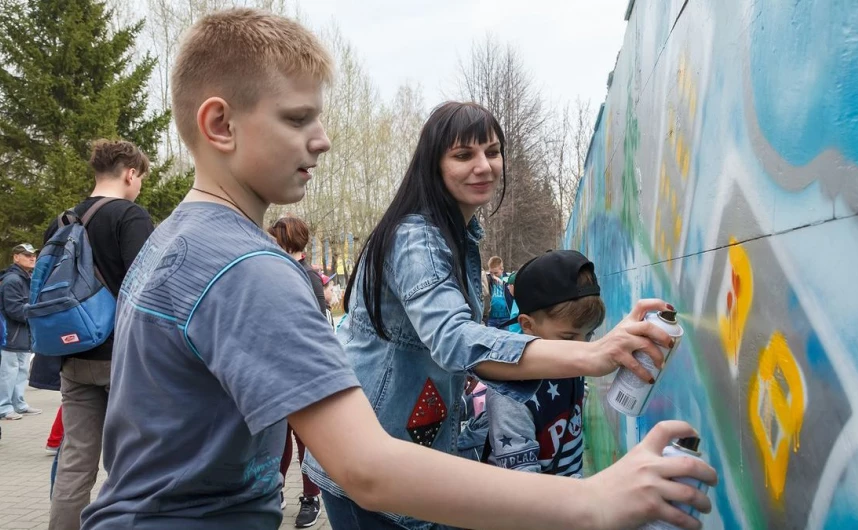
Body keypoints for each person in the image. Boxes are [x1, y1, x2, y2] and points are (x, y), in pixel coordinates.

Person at [81, 10, 716, 530]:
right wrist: (593, 500)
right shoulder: (252, 269)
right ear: (220, 123)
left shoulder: (177, 239)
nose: (323, 139)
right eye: (299, 118)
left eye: (492, 152)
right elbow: (368, 465)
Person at [303, 100, 711, 530]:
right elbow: (455, 340)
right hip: (372, 470)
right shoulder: (416, 238)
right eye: (463, 155)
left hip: (416, 459)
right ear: (433, 165)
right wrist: (594, 357)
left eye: (492, 152)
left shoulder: (458, 237)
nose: (484, 166)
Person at [45, 139, 155, 530]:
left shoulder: (60, 222)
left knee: (75, 462)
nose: (139, 184)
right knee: (130, 463)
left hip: (73, 358)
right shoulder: (130, 216)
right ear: (130, 173)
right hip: (121, 359)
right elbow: (145, 291)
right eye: (140, 177)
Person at [485, 250, 604, 477]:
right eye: (568, 338)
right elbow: (523, 488)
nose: (583, 349)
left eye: (589, 335)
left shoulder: (571, 361)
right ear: (527, 325)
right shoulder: (510, 393)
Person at [268, 215, 325, 528]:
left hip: (303, 373)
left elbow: (316, 324)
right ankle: (275, 491)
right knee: (277, 440)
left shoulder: (308, 276)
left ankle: (311, 496)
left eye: (276, 239)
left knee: (306, 439)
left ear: (288, 242)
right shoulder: (273, 271)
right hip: (275, 371)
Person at [0, 243, 41, 421]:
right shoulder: (13, 280)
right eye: (27, 255)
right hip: (10, 334)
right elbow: (14, 309)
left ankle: (19, 404)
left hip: (23, 335)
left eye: (33, 255)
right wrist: (37, 312)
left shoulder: (27, 278)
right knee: (8, 372)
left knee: (22, 371)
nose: (32, 257)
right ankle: (4, 407)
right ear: (16, 257)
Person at [482, 256, 510, 327]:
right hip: (491, 318)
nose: (493, 275)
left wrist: (501, 282)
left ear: (502, 269)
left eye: (496, 273)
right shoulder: (487, 279)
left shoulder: (508, 279)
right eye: (491, 273)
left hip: (506, 318)